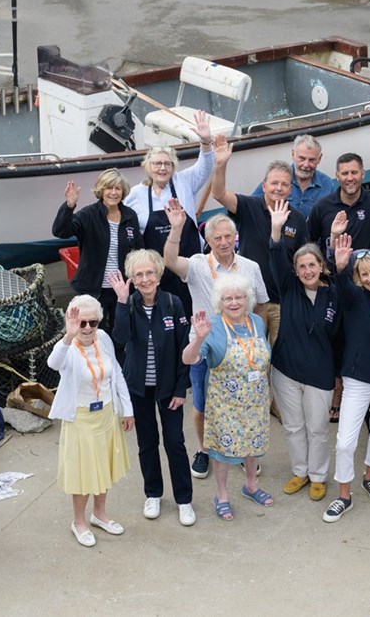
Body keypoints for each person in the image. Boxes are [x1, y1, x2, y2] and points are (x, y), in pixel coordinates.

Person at [163, 202, 269, 480]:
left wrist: (260, 344)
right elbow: (170, 261)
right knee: (201, 405)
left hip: (241, 350)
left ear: (236, 237)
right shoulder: (198, 265)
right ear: (208, 240)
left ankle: (243, 451)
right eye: (217, 237)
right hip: (205, 348)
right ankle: (204, 450)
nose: (223, 242)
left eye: (227, 236)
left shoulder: (250, 267)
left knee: (243, 403)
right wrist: (176, 229)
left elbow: (261, 307)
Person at [108, 249, 195, 526]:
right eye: (139, 274)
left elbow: (184, 350)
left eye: (149, 273)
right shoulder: (128, 304)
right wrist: (121, 301)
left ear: (158, 275)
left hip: (169, 389)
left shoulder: (174, 303)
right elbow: (119, 340)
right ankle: (153, 493)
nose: (145, 279)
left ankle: (184, 500)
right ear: (132, 279)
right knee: (147, 444)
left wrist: (182, 390)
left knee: (175, 443)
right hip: (138, 390)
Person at [322, 232, 370, 522]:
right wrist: (341, 266)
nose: (369, 278)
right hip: (356, 379)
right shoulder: (354, 297)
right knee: (345, 441)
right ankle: (344, 495)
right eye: (363, 274)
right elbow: (340, 287)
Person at [183, 275, 273, 521]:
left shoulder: (256, 321)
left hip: (255, 401)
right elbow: (188, 359)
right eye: (228, 298)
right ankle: (221, 496)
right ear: (219, 302)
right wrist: (199, 338)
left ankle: (251, 486)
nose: (234, 303)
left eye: (239, 297)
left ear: (247, 299)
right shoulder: (212, 326)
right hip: (225, 405)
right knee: (223, 452)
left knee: (253, 445)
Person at [268, 201, 341, 502]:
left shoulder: (334, 293)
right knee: (294, 426)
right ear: (295, 272)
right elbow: (275, 256)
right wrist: (276, 228)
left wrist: (339, 376)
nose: (307, 270)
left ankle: (319, 476)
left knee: (318, 428)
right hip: (286, 371)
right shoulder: (289, 288)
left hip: (320, 374)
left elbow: (340, 337)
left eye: (313, 264)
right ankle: (301, 471)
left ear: (321, 266)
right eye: (302, 266)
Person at [47, 295, 134, 548]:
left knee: (103, 468)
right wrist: (67, 335)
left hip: (106, 413)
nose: (86, 328)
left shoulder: (103, 338)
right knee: (84, 473)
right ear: (73, 321)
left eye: (92, 322)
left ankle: (100, 514)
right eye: (81, 322)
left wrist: (126, 408)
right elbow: (54, 364)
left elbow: (116, 372)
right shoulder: (68, 347)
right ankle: (78, 522)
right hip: (81, 418)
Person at [210, 141, 309, 347]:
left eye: (284, 184)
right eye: (274, 183)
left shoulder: (298, 219)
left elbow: (303, 261)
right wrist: (220, 164)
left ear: (291, 188)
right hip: (249, 303)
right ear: (264, 185)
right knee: (248, 355)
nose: (278, 188)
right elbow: (218, 194)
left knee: (281, 357)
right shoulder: (248, 207)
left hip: (284, 303)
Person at [124, 110, 215, 315]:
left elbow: (206, 166)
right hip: (156, 273)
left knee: (196, 313)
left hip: (189, 264)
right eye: (157, 163)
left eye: (167, 164)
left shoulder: (184, 182)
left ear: (173, 167)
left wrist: (206, 141)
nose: (162, 168)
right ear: (147, 167)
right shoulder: (135, 194)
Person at [52, 168, 143, 341]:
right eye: (109, 188)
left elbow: (139, 249)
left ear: (123, 191)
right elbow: (60, 231)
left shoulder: (130, 216)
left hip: (121, 289)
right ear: (101, 190)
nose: (113, 193)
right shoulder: (88, 215)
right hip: (93, 288)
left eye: (118, 188)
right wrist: (69, 206)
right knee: (91, 334)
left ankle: (118, 364)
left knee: (121, 333)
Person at [249, 135, 339, 217]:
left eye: (311, 160)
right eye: (302, 158)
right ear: (293, 154)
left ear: (319, 158)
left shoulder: (328, 185)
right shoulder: (275, 178)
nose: (306, 165)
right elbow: (251, 207)